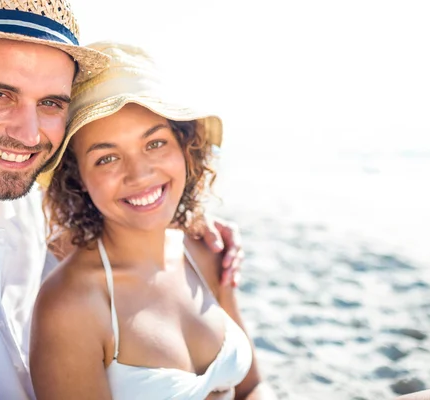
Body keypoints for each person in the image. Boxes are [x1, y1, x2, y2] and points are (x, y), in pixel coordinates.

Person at [0, 1, 243, 399]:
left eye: (50, 102)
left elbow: (109, 236)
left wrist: (184, 222)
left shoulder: (22, 193)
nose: (28, 134)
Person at [30, 42, 277, 400]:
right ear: (77, 177)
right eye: (107, 158)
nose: (139, 174)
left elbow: (253, 387)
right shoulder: (70, 307)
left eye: (154, 144)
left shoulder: (205, 251)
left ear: (184, 146)